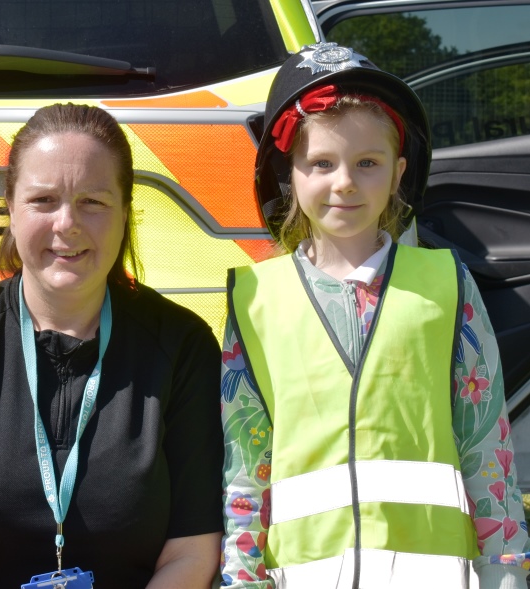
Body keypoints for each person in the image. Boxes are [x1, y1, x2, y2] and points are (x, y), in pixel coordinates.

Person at [0, 103, 223, 589]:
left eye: (93, 201)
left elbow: (192, 550)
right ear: (10, 208)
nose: (67, 223)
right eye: (44, 200)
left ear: (125, 212)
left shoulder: (182, 347)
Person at [221, 42, 530, 588]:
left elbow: (488, 452)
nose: (344, 182)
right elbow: (245, 470)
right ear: (289, 173)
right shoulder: (253, 300)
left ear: (397, 171)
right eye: (321, 163)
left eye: (368, 163)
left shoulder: (445, 285)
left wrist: (506, 577)